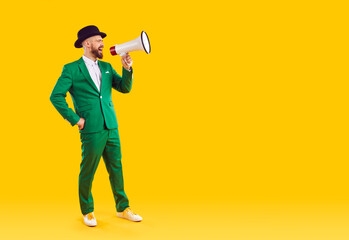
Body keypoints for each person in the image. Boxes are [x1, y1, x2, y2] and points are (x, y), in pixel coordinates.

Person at [50, 25, 142, 227]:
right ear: (87, 43)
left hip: (111, 126)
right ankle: (87, 211)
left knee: (116, 168)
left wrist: (127, 69)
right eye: (98, 40)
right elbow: (56, 96)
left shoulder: (107, 67)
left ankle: (122, 207)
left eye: (102, 40)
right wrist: (75, 119)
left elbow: (124, 88)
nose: (102, 44)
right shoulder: (71, 69)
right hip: (91, 128)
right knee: (88, 170)